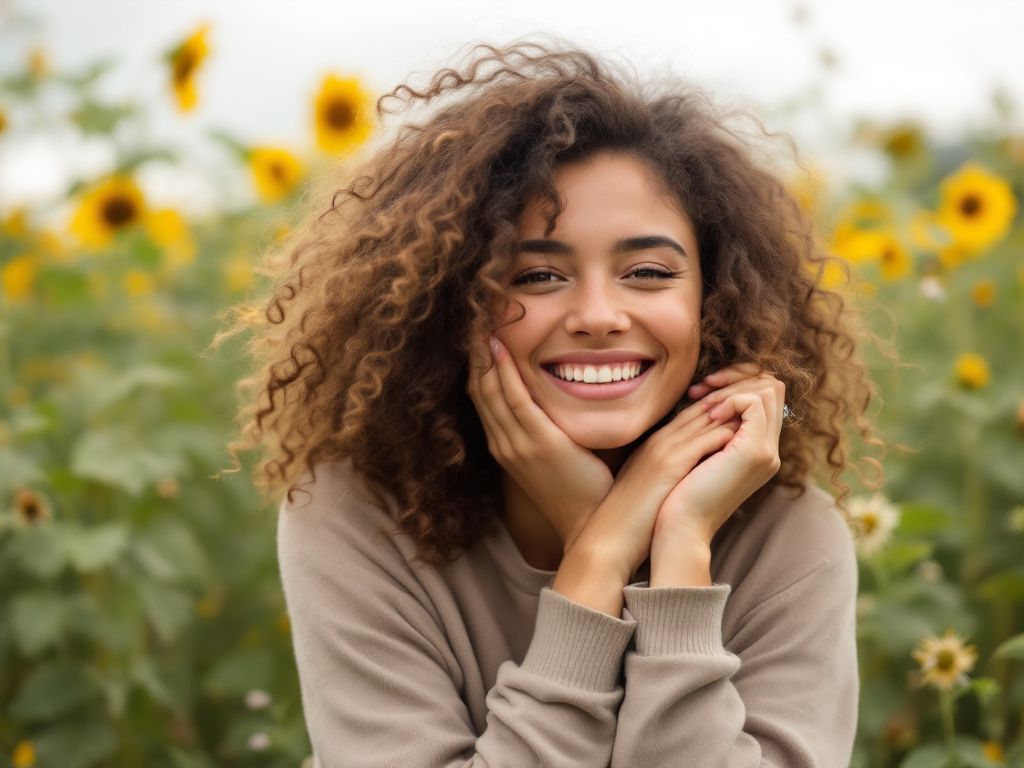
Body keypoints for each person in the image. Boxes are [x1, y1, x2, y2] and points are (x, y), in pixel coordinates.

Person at [229, 41, 885, 767]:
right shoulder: (356, 516)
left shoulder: (788, 539)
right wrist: (600, 551)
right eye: (538, 276)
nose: (598, 315)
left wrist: (678, 552)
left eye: (647, 271)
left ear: (714, 303)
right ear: (453, 305)